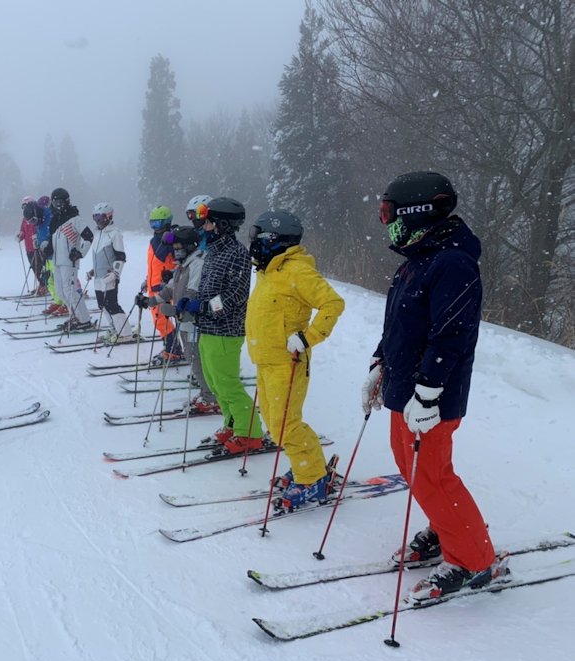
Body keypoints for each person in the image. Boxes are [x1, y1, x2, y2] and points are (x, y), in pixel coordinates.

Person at [362, 171, 495, 600]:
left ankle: (473, 560)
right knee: (412, 470)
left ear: (418, 212)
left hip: (431, 397)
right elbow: (400, 326)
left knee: (433, 477)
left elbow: (451, 335)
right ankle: (444, 529)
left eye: (389, 213)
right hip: (405, 388)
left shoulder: (452, 263)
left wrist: (429, 391)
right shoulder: (416, 261)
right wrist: (380, 361)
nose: (387, 223)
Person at [246, 210, 344, 508]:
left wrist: (307, 337)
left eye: (258, 237)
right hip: (265, 359)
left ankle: (312, 479)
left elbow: (332, 303)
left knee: (285, 425)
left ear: (275, 239)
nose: (253, 243)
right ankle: (307, 464)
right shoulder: (267, 271)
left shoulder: (297, 271)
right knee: (274, 423)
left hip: (287, 362)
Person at [178, 197, 263, 454]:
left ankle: (250, 433)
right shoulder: (214, 251)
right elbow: (209, 287)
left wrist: (203, 307)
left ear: (223, 225)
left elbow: (235, 296)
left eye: (209, 222)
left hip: (226, 330)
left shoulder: (236, 253)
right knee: (215, 384)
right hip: (207, 328)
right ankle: (232, 423)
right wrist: (192, 300)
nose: (204, 227)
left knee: (228, 384)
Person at [154, 226, 218, 413]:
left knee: (196, 358)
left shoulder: (197, 263)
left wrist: (176, 309)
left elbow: (192, 292)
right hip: (184, 320)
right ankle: (207, 392)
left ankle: (211, 398)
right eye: (174, 247)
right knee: (192, 357)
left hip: (194, 320)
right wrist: (150, 301)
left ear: (190, 245)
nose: (175, 250)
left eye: (178, 246)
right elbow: (169, 289)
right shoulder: (183, 265)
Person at [87, 202, 134, 344]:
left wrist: (115, 273)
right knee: (102, 305)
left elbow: (121, 257)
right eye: (95, 217)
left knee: (112, 305)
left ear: (109, 217)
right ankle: (114, 329)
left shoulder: (114, 234)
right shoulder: (97, 233)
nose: (98, 221)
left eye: (100, 217)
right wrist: (93, 270)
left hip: (109, 277)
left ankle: (125, 333)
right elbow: (99, 255)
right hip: (98, 277)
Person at [140, 205, 181, 364]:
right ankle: (172, 348)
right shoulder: (154, 241)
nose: (155, 227)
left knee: (162, 320)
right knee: (159, 320)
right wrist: (147, 280)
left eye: (158, 223)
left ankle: (173, 351)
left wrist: (170, 277)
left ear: (167, 223)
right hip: (153, 286)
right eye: (153, 223)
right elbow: (154, 265)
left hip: (163, 288)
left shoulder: (170, 240)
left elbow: (178, 262)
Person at [49, 187, 94, 331]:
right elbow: (53, 241)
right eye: (55, 203)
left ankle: (84, 320)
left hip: (69, 261)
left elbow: (89, 236)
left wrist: (79, 252)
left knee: (70, 291)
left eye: (61, 202)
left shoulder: (75, 219)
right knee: (60, 292)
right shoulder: (55, 220)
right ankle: (74, 316)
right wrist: (47, 249)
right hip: (57, 261)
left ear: (67, 202)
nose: (58, 206)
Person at [17, 197, 45, 293]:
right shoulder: (24, 219)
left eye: (26, 206)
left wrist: (37, 237)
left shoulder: (37, 216)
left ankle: (45, 285)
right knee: (35, 268)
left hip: (38, 248)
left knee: (41, 267)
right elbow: (22, 231)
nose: (25, 209)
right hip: (29, 248)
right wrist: (20, 236)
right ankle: (42, 285)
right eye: (23, 207)